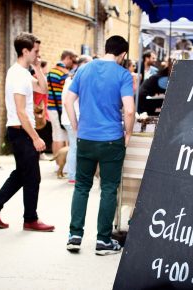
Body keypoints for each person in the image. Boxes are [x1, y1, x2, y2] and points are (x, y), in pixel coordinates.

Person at [65, 35, 135, 255]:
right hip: (111, 139)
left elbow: (68, 100)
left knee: (81, 186)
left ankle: (75, 236)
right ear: (122, 54)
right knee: (108, 188)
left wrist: (76, 127)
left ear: (106, 49)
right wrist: (129, 133)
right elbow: (130, 110)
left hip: (86, 137)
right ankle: (103, 241)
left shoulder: (84, 69)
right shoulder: (123, 74)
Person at [0, 32, 54, 232]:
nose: (38, 55)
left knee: (22, 174)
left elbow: (43, 89)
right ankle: (30, 219)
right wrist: (36, 137)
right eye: (35, 52)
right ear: (25, 51)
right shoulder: (18, 75)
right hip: (21, 132)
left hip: (21, 131)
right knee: (31, 176)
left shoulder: (22, 73)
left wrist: (38, 68)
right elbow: (21, 111)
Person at [61, 55, 92, 184]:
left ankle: (73, 174)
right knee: (75, 147)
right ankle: (73, 176)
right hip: (72, 118)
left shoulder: (71, 79)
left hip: (70, 118)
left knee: (74, 147)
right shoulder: (76, 80)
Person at [47, 50, 77, 164]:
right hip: (59, 109)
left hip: (50, 106)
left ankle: (57, 164)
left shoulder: (51, 71)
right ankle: (61, 164)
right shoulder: (64, 74)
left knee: (56, 136)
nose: (73, 63)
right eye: (72, 60)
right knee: (62, 137)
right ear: (68, 58)